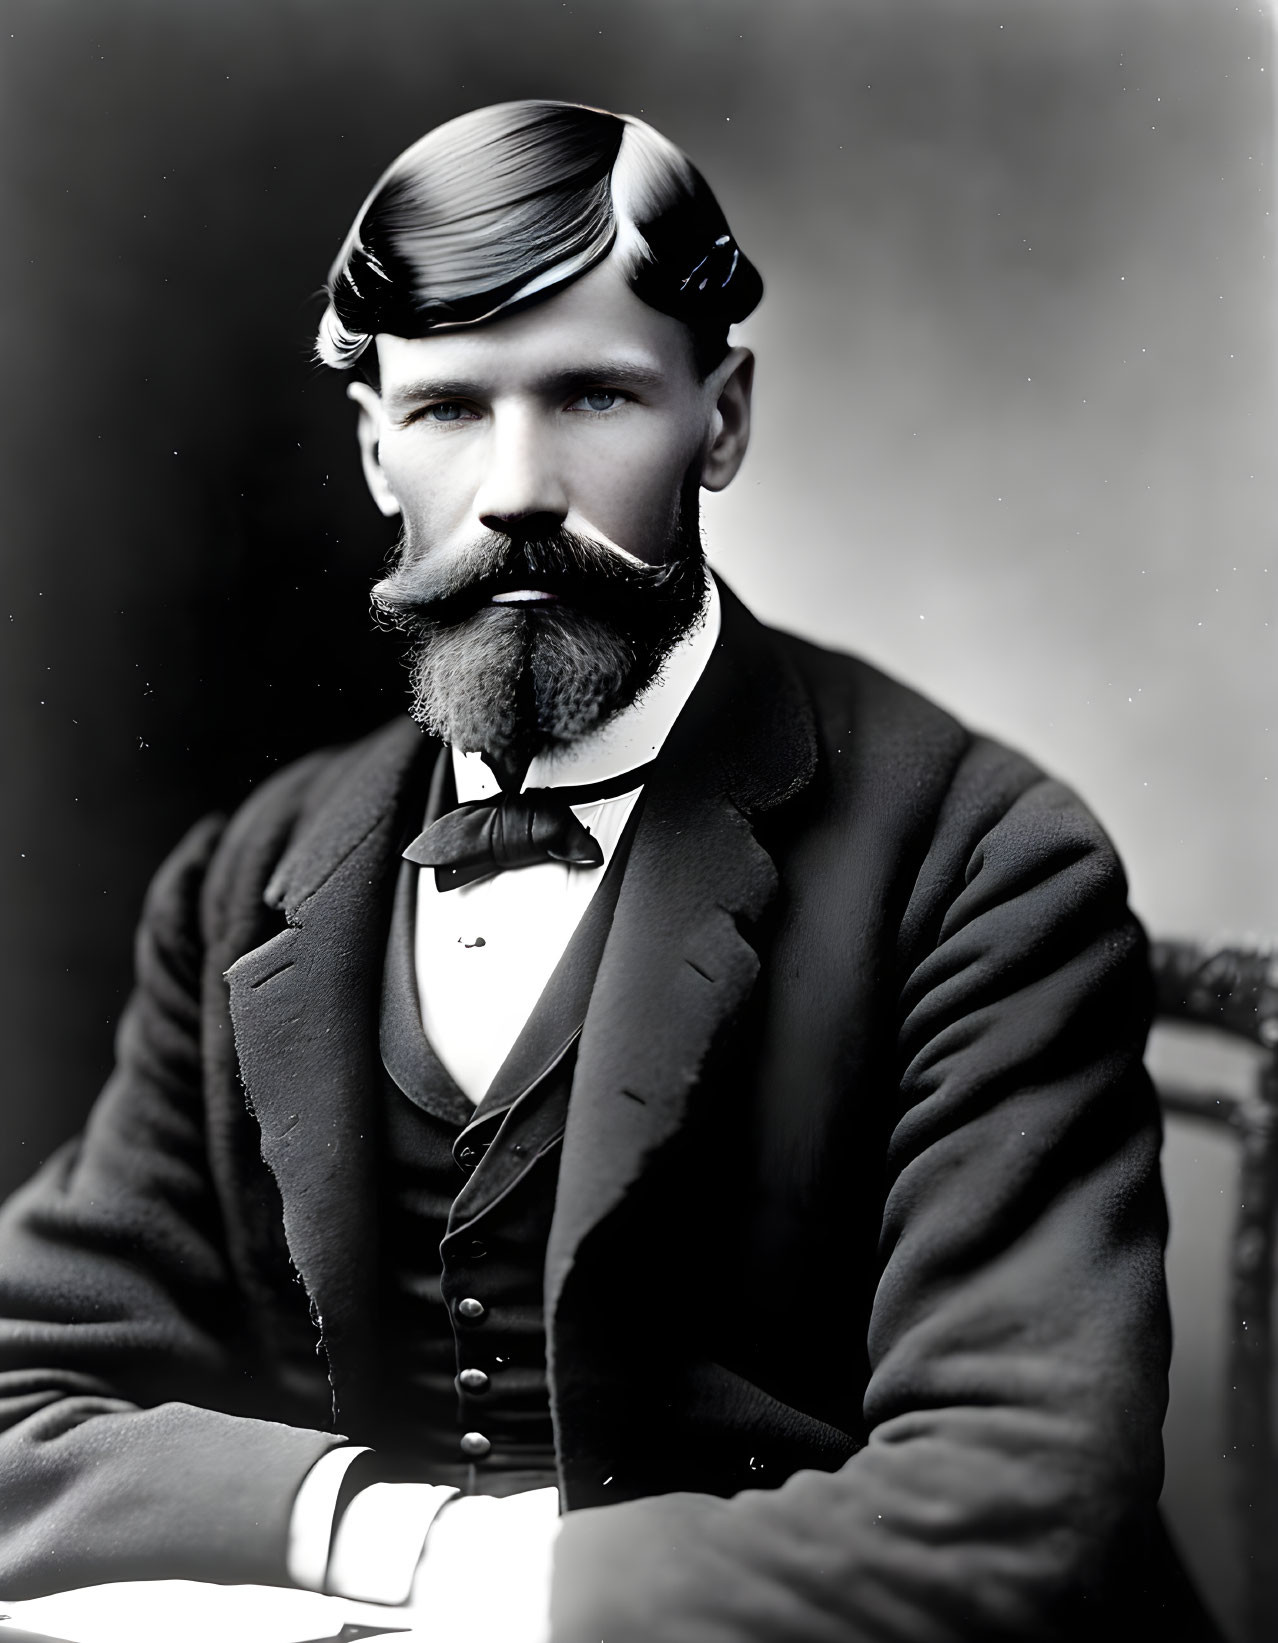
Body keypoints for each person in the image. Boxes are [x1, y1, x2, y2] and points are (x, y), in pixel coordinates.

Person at [0, 99, 1208, 1642]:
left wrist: (552, 1597)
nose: (516, 488)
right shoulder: (251, 872)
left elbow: (1021, 1491)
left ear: (722, 417)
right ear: (374, 449)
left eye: (589, 396)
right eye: (447, 410)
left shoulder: (983, 860)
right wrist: (393, 1541)